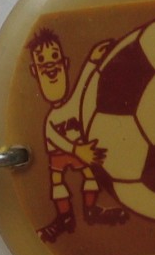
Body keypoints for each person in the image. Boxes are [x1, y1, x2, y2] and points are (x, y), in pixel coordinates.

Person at [27, 28, 128, 242]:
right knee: (57, 181)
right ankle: (64, 218)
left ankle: (91, 211)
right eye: (42, 62)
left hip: (81, 150)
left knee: (91, 176)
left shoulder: (74, 104)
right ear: (35, 71)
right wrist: (76, 149)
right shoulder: (51, 119)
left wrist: (92, 60)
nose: (50, 66)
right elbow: (53, 137)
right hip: (64, 153)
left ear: (65, 64)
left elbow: (83, 84)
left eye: (55, 57)